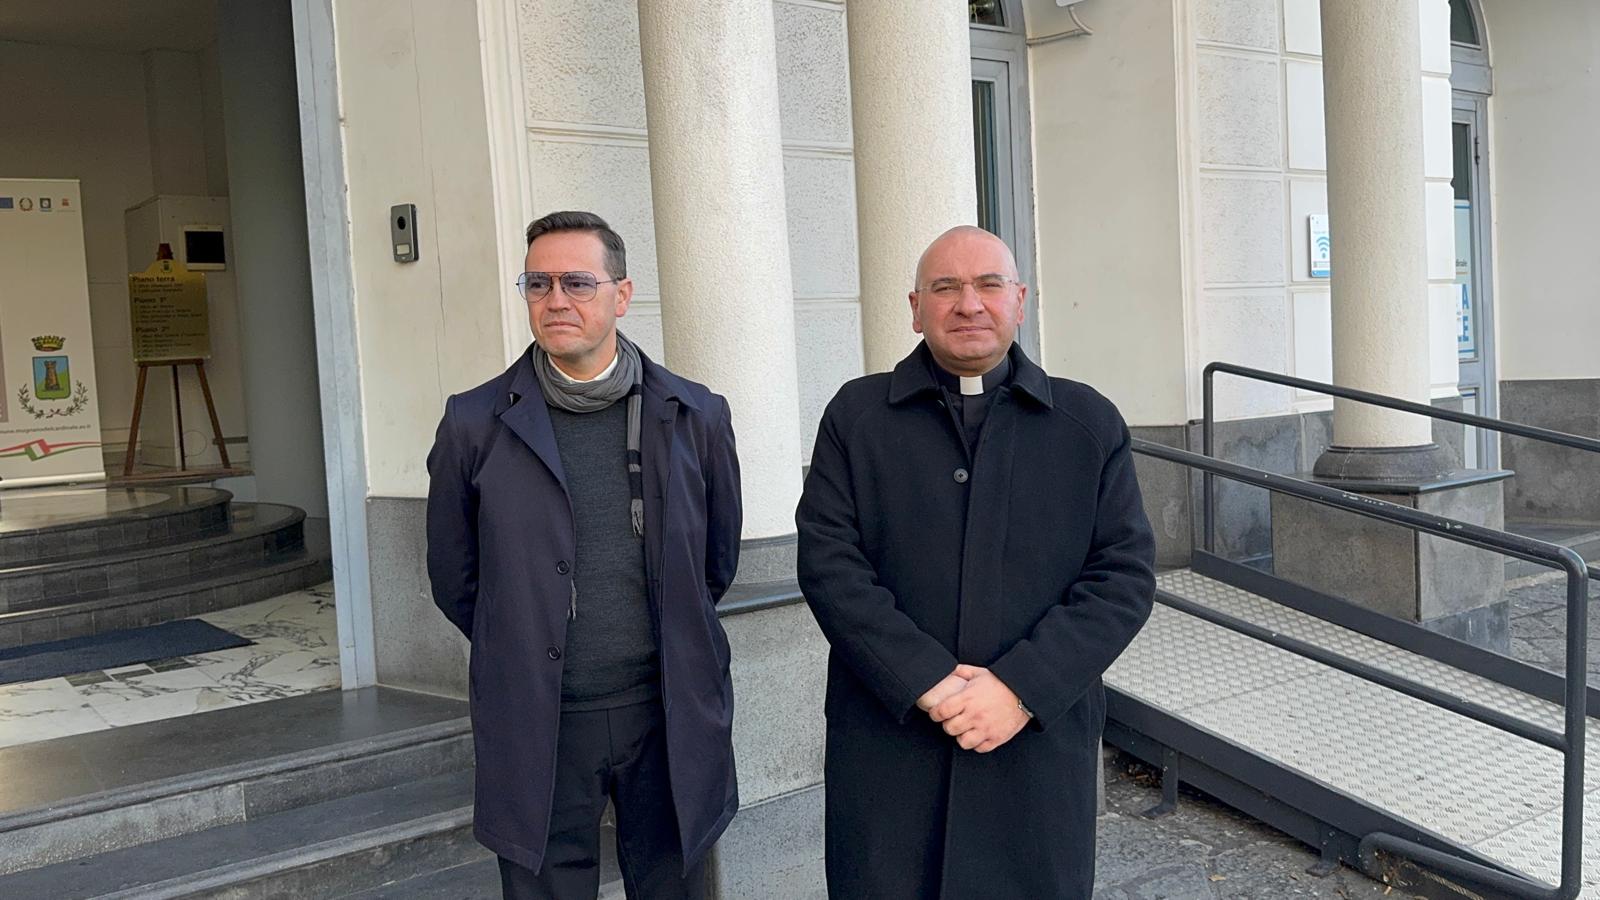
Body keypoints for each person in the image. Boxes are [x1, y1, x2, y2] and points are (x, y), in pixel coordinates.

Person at [796, 225, 1156, 898]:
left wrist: (1019, 689)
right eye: (946, 287)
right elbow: (829, 563)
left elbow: (1123, 576)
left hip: (1033, 747)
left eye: (989, 285)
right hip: (891, 740)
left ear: (1020, 300)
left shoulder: (1087, 424)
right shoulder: (857, 416)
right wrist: (928, 681)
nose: (969, 304)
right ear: (915, 308)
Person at [426, 210, 742, 899]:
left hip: (667, 710)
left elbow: (715, 562)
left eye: (577, 282)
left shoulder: (695, 416)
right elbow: (455, 578)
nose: (556, 300)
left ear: (621, 296)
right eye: (538, 284)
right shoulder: (474, 424)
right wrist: (523, 636)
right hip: (541, 716)